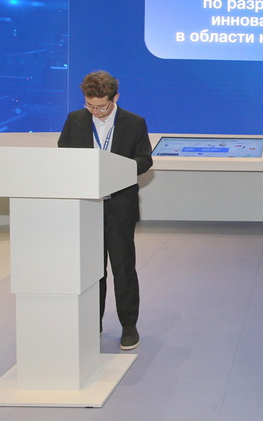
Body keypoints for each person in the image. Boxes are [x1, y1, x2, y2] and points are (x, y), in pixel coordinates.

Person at [58, 71, 153, 350]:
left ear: (115, 98)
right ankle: (93, 323)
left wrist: (118, 169)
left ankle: (129, 327)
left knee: (123, 269)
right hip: (86, 207)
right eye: (90, 105)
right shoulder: (75, 119)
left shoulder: (134, 122)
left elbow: (144, 159)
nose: (95, 111)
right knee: (91, 270)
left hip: (119, 207)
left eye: (101, 106)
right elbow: (63, 153)